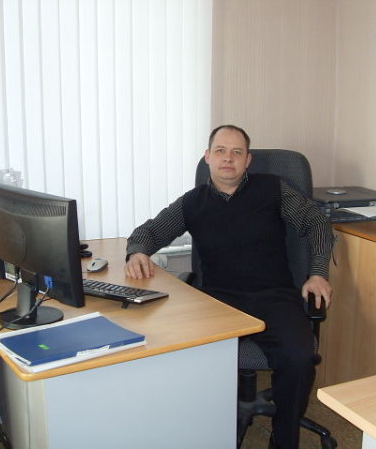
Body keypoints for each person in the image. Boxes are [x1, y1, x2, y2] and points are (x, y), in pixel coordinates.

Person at [125, 124, 334, 449]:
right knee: (190, 356)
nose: (228, 158)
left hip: (274, 297)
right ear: (208, 157)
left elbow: (316, 221)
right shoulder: (192, 202)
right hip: (217, 302)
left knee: (299, 357)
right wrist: (137, 251)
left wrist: (318, 273)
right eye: (220, 151)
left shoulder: (273, 190)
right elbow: (148, 232)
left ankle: (283, 440)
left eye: (237, 152)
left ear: (247, 160)